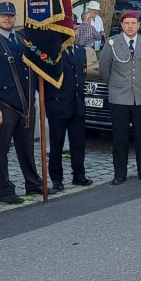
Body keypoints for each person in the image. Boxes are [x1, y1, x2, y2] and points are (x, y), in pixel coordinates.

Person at [0, 2, 43, 204]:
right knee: (1, 150)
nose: (7, 19)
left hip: (25, 104)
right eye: (3, 15)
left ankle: (33, 183)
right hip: (3, 106)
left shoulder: (22, 39)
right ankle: (6, 190)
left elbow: (35, 65)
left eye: (10, 15)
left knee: (26, 147)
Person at [98, 10, 141, 184]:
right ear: (122, 25)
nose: (130, 26)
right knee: (120, 137)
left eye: (133, 23)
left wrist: (138, 84)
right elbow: (104, 69)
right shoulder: (112, 43)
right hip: (119, 97)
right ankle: (120, 174)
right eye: (127, 23)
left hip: (140, 96)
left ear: (138, 25)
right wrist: (116, 85)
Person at [45, 33, 91, 191]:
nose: (73, 32)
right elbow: (44, 79)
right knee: (56, 145)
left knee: (78, 143)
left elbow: (81, 75)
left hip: (77, 104)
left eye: (76, 28)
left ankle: (79, 175)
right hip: (58, 105)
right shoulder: (53, 51)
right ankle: (57, 179)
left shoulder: (80, 50)